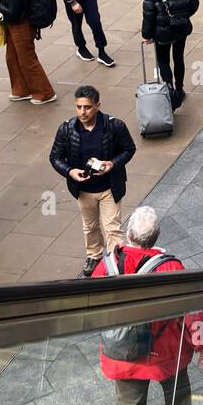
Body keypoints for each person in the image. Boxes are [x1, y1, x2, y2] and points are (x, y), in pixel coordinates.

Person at [93, 206, 203, 405]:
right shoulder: (171, 267)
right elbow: (193, 311)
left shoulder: (107, 265)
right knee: (178, 391)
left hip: (125, 354)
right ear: (156, 236)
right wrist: (202, 343)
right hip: (165, 352)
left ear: (129, 234)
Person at [49, 85, 136, 276]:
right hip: (83, 190)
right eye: (79, 107)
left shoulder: (115, 126)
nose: (82, 112)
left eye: (87, 107)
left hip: (110, 188)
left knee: (112, 228)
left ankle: (116, 260)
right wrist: (70, 171)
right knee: (90, 227)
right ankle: (94, 255)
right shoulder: (66, 129)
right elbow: (55, 157)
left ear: (97, 105)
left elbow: (129, 149)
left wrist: (113, 164)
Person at [141, 0, 199, 110]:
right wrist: (182, 16)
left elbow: (148, 12)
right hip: (180, 28)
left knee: (163, 60)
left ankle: (169, 88)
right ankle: (179, 89)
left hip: (162, 31)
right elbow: (194, 4)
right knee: (178, 58)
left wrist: (147, 34)